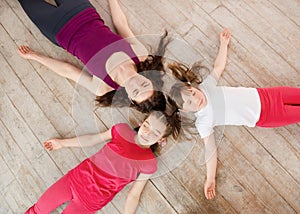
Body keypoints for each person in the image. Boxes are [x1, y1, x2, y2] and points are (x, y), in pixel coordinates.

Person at [169, 28, 300, 200]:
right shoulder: (203, 122)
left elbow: (218, 67)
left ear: (193, 87)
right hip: (266, 115)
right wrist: (210, 178)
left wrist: (223, 45)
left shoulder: (206, 88)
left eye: (193, 93)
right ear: (185, 110)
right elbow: (210, 150)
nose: (196, 98)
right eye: (190, 102)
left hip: (267, 94)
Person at [17, 0, 169, 113]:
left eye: (136, 91)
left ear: (130, 98)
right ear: (149, 78)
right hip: (81, 10)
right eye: (144, 85)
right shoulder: (139, 54)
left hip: (57, 29)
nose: (136, 84)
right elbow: (121, 24)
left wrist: (35, 56)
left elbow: (68, 71)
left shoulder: (102, 87)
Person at [25, 110, 181, 213]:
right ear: (141, 123)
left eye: (155, 133)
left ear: (161, 139)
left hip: (90, 201)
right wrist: (62, 143)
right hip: (74, 180)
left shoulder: (149, 162)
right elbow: (93, 139)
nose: (147, 133)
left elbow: (134, 194)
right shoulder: (121, 130)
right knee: (38, 210)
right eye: (147, 126)